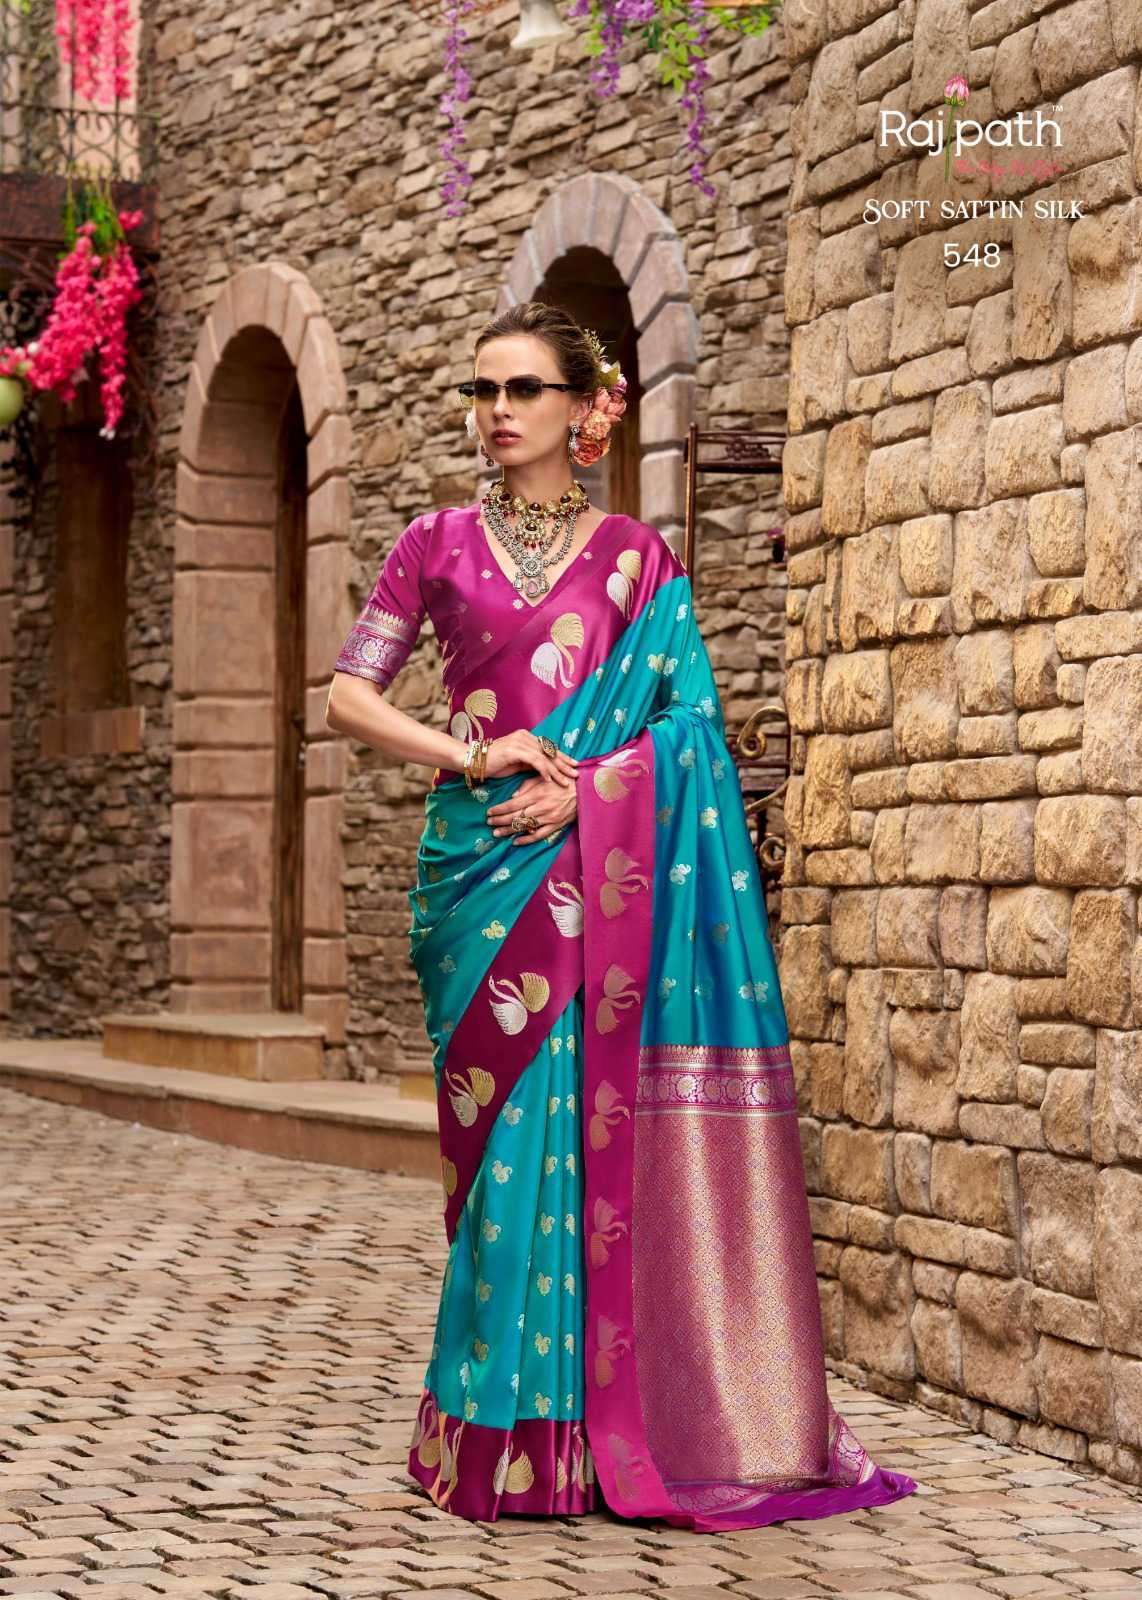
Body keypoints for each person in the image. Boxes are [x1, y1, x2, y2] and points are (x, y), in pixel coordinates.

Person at [325, 301, 916, 1529]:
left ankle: (591, 1440)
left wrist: (588, 790)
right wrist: (477, 755)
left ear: (585, 409)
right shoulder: (432, 543)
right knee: (498, 1170)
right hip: (477, 880)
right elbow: (346, 697)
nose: (496, 412)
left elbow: (690, 727)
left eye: (522, 390)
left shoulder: (640, 564)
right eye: (481, 391)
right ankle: (493, 1436)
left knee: (584, 1150)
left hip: (594, 884)